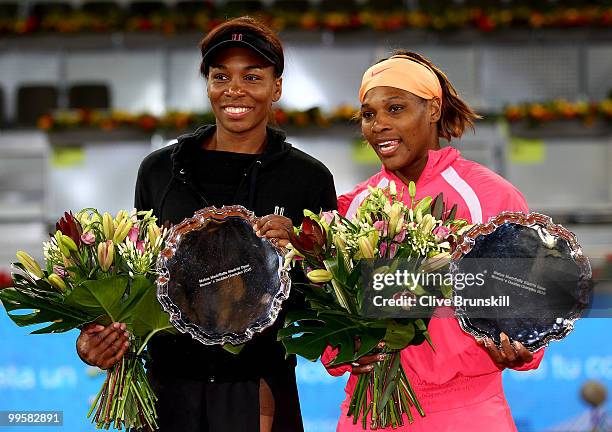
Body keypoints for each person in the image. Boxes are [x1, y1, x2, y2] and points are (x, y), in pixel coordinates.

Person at [76, 16, 337, 432]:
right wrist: (99, 338)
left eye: (252, 76)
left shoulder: (308, 178)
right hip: (166, 386)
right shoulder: (159, 171)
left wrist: (303, 251)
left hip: (255, 386)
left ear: (277, 88)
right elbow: (139, 281)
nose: (235, 89)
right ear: (209, 85)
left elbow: (323, 298)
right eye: (221, 76)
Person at [322, 51, 544, 431]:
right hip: (368, 409)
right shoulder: (354, 205)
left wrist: (522, 346)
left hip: (464, 412)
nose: (379, 125)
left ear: (434, 109)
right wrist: (342, 351)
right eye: (369, 114)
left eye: (395, 108)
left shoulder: (489, 197)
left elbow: (526, 309)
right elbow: (334, 315)